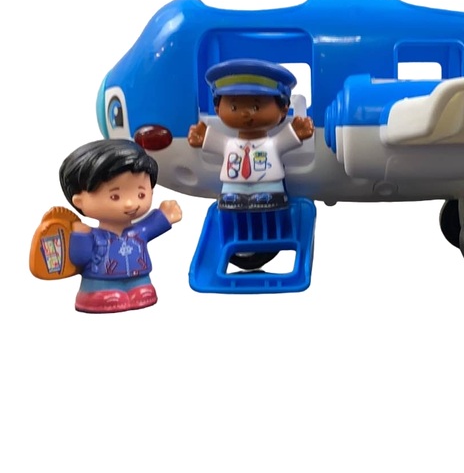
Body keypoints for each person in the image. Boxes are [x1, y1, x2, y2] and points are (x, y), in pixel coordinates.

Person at [52, 139, 182, 312]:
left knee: (144, 291)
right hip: (98, 282)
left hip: (140, 277)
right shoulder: (93, 236)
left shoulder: (139, 231)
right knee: (106, 295)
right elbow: (79, 258)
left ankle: (138, 288)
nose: (130, 204)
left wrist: (165, 215)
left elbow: (152, 225)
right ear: (79, 201)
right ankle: (97, 294)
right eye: (115, 197)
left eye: (141, 194)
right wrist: (80, 237)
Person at [187, 59, 314, 211]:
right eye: (234, 107)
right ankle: (233, 194)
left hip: (269, 185)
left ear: (284, 109)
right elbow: (215, 141)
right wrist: (203, 136)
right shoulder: (228, 144)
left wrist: (296, 132)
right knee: (230, 197)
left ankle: (267, 193)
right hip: (232, 185)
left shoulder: (272, 144)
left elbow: (284, 140)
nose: (245, 114)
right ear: (217, 110)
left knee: (269, 196)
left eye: (256, 107)